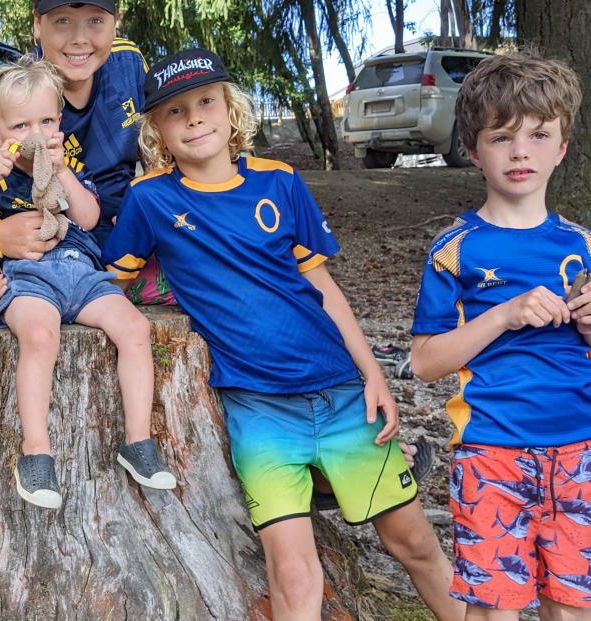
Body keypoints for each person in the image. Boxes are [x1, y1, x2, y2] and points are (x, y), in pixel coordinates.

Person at [102, 48, 463, 621]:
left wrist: (373, 375)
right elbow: (109, 283)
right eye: (175, 112)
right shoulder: (150, 199)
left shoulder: (280, 181)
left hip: (342, 395)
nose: (194, 119)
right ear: (157, 130)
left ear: (230, 109)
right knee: (293, 572)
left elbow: (322, 286)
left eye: (205, 102)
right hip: (259, 412)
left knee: (412, 543)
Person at [410, 52, 591, 620]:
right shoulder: (455, 249)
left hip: (582, 454)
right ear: (473, 150)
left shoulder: (583, 245)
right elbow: (423, 363)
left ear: (561, 149)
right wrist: (504, 315)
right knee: (493, 608)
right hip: (493, 455)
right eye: (501, 137)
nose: (520, 152)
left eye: (539, 135)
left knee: (572, 605)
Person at [0, 57, 175, 509]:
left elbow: (90, 218)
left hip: (83, 273)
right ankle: (36, 451)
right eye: (21, 125)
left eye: (47, 121)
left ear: (59, 123)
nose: (36, 134)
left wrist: (64, 172)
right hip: (29, 278)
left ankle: (138, 441)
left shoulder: (65, 167)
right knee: (40, 336)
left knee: (135, 330)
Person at [0, 0, 175, 306]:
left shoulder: (128, 62)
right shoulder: (9, 100)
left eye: (96, 21)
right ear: (37, 24)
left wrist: (148, 217)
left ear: (117, 21)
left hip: (124, 240)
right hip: (49, 252)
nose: (79, 38)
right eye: (62, 21)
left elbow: (156, 157)